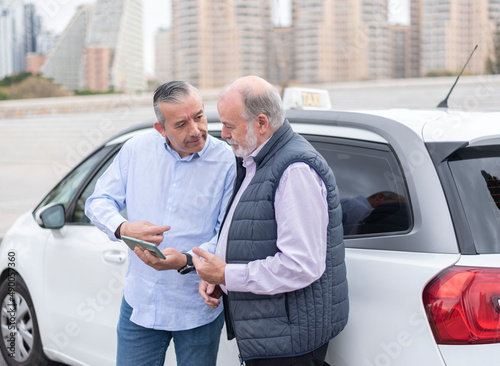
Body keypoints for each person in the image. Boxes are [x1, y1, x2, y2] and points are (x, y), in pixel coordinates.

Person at [192, 75, 349, 365]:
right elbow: (254, 236)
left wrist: (227, 275)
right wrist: (221, 279)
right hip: (274, 334)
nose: (223, 134)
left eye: (229, 125)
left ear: (261, 123)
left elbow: (300, 265)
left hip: (288, 343)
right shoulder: (254, 159)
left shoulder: (294, 170)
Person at [85, 81, 236, 366]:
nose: (195, 130)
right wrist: (122, 228)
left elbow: (226, 233)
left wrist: (187, 260)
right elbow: (98, 201)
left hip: (197, 307)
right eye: (180, 124)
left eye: (199, 116)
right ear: (160, 129)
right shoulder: (135, 150)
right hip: (140, 302)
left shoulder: (227, 161)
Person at [341, 191, 406, 234]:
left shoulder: (352, 203)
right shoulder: (360, 209)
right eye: (396, 204)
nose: (397, 209)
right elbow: (351, 237)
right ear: (380, 197)